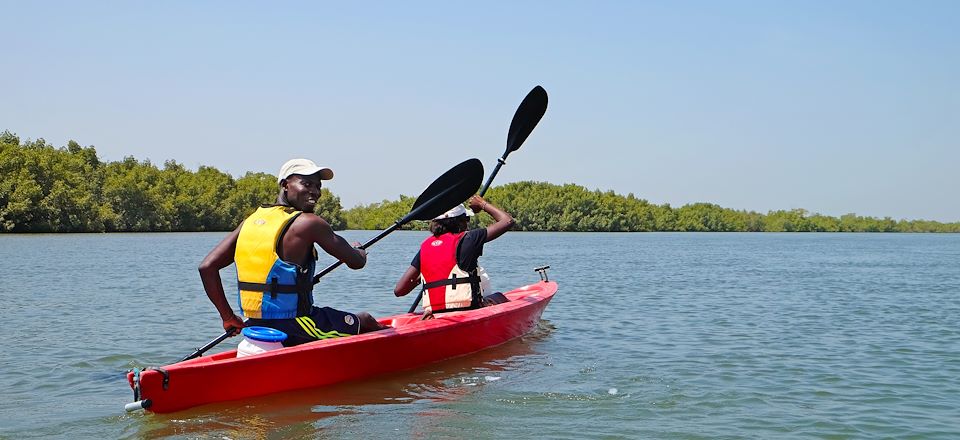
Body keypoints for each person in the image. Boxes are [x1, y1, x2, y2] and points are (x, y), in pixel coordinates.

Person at [199, 158, 387, 347]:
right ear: (285, 185)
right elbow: (356, 262)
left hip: (255, 324)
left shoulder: (250, 222)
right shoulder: (309, 222)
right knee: (366, 320)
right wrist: (359, 251)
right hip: (296, 325)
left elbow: (207, 267)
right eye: (306, 184)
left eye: (318, 186)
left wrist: (228, 317)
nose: (314, 191)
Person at [393, 195, 515, 315]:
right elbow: (507, 221)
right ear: (459, 221)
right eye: (466, 219)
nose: (468, 223)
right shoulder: (469, 238)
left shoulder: (426, 247)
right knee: (499, 297)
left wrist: (424, 276)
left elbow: (399, 290)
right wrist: (482, 204)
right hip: (468, 310)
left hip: (435, 313)